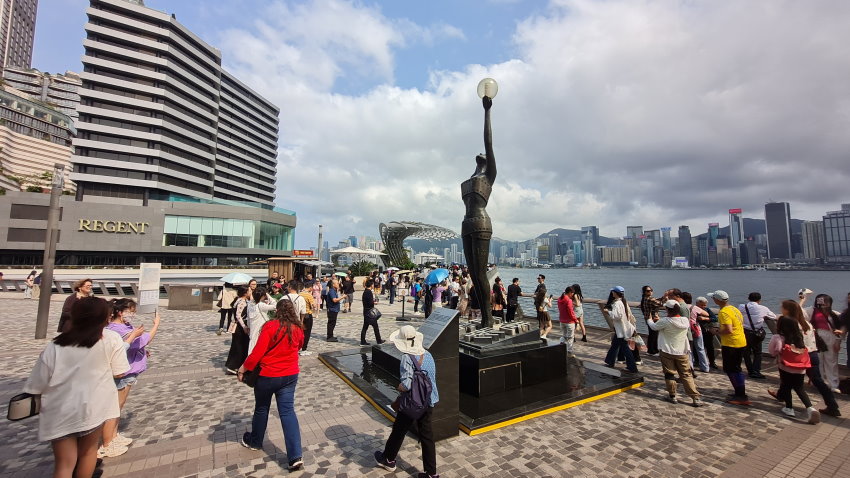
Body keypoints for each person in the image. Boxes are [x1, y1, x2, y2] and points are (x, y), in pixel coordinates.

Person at [24, 297, 130, 478]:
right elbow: (120, 372)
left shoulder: (56, 344)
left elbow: (36, 384)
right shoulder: (111, 339)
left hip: (59, 410)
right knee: (88, 453)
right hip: (93, 407)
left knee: (64, 464)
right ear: (106, 317)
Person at [238, 299, 304, 472]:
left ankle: (256, 441)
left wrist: (243, 368)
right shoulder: (298, 329)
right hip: (290, 375)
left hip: (268, 375)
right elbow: (299, 347)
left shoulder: (270, 326)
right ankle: (295, 456)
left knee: (261, 408)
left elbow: (258, 352)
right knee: (288, 412)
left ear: (277, 311)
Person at [374, 325, 440, 478]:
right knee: (427, 436)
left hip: (413, 403)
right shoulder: (428, 354)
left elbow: (407, 385)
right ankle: (431, 473)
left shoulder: (406, 357)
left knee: (399, 430)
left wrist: (399, 386)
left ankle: (388, 460)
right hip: (429, 401)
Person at [101, 299, 161, 458]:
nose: (133, 315)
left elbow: (137, 345)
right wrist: (156, 324)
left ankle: (114, 435)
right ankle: (108, 442)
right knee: (116, 406)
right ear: (120, 312)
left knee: (119, 405)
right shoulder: (118, 329)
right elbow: (144, 339)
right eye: (130, 311)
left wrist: (141, 351)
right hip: (123, 372)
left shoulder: (121, 327)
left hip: (128, 370)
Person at [770, 299, 839, 418]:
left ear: (787, 310)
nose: (781, 309)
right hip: (812, 354)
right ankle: (832, 405)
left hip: (797, 355)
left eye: (782, 307)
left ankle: (788, 403)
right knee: (817, 381)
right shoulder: (807, 324)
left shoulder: (790, 323)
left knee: (788, 378)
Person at [648, 300, 702, 407]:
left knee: (669, 374)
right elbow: (671, 322)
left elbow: (654, 327)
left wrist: (650, 319)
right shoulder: (685, 320)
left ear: (668, 309)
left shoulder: (666, 321)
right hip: (682, 351)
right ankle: (695, 397)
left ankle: (672, 396)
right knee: (686, 374)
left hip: (667, 350)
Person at [768, 314, 819, 424]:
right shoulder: (799, 336)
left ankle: (789, 408)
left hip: (785, 366)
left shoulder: (778, 337)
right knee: (799, 388)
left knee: (786, 386)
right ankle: (810, 408)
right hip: (800, 367)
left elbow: (773, 351)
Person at [711, 290, 750, 406]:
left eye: (713, 298)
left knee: (732, 369)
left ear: (717, 300)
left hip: (731, 343)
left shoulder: (724, 312)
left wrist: (716, 331)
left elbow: (728, 329)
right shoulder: (734, 309)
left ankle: (741, 395)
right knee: (736, 368)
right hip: (741, 340)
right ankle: (739, 392)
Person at [803, 294, 844, 393]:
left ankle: (833, 384)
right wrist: (803, 299)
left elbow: (842, 327)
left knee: (832, 361)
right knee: (818, 361)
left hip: (831, 337)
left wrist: (838, 341)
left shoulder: (835, 314)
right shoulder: (812, 310)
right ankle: (819, 382)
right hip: (816, 337)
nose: (823, 303)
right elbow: (800, 313)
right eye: (821, 301)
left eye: (826, 301)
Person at [738, 292, 775, 379]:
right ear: (759, 300)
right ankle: (756, 371)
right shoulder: (763, 308)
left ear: (748, 298)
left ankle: (750, 370)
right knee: (757, 353)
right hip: (757, 333)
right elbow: (773, 316)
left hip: (745, 332)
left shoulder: (742, 307)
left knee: (746, 352)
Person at [603, 286, 638, 373]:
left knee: (625, 348)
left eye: (613, 292)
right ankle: (609, 361)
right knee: (615, 345)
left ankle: (632, 367)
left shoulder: (617, 303)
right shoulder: (621, 302)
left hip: (621, 330)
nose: (612, 293)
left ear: (615, 293)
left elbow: (617, 316)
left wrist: (608, 312)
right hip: (621, 330)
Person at [225, 286, 251, 375]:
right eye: (249, 291)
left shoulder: (238, 300)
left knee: (237, 346)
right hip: (240, 328)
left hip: (237, 327)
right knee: (240, 347)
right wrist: (244, 327)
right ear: (245, 293)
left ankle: (235, 365)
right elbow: (238, 316)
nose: (250, 292)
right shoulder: (242, 302)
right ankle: (234, 366)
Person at [683, 292, 709, 373]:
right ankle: (705, 367)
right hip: (696, 329)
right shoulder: (694, 307)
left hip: (686, 329)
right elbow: (706, 314)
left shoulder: (681, 307)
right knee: (700, 348)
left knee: (689, 349)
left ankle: (691, 366)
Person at [247, 287, 277, 354]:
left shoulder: (250, 304)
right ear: (263, 296)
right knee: (260, 345)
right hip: (261, 327)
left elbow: (248, 318)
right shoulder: (261, 305)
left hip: (253, 327)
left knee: (252, 344)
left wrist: (248, 326)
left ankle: (251, 360)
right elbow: (275, 305)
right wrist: (269, 296)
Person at [695, 296, 719, 369]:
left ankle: (712, 362)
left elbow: (715, 319)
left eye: (704, 305)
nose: (703, 306)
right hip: (697, 331)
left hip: (707, 330)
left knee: (710, 347)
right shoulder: (694, 309)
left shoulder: (707, 310)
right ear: (697, 304)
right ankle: (697, 361)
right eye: (701, 305)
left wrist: (706, 318)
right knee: (696, 347)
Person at [361, 279, 384, 345]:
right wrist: (375, 302)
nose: (373, 285)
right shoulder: (369, 292)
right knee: (375, 327)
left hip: (366, 311)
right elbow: (370, 303)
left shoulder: (365, 291)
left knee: (365, 327)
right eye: (373, 284)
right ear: (371, 285)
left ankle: (363, 341)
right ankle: (379, 340)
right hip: (370, 312)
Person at [640, 285, 661, 355]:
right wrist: (666, 299)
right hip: (653, 319)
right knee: (654, 335)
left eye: (651, 290)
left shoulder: (644, 299)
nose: (650, 292)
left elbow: (656, 301)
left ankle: (651, 350)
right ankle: (653, 351)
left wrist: (663, 298)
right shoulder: (650, 299)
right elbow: (660, 304)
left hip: (648, 318)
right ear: (645, 292)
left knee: (652, 334)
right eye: (648, 291)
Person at [557, 286, 578, 353]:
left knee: (564, 336)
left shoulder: (559, 299)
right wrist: (576, 320)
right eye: (572, 293)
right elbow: (571, 312)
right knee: (570, 337)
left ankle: (561, 346)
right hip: (569, 322)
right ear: (569, 292)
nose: (573, 295)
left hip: (562, 321)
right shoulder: (569, 300)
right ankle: (569, 351)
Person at [298, 282, 317, 356]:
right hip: (307, 315)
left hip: (299, 315)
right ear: (310, 288)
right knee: (307, 332)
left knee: (300, 331)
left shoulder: (299, 294)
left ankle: (298, 347)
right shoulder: (309, 295)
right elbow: (314, 306)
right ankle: (304, 348)